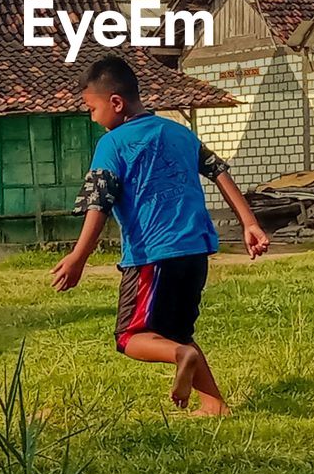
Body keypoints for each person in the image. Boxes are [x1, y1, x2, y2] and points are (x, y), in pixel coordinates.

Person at [51, 55, 269, 415]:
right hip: (196, 250)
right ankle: (214, 405)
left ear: (116, 103)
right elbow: (219, 171)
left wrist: (79, 257)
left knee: (130, 337)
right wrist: (249, 222)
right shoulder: (179, 132)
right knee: (177, 331)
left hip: (153, 255)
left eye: (92, 109)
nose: (91, 117)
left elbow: (99, 203)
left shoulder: (113, 143)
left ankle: (182, 358)